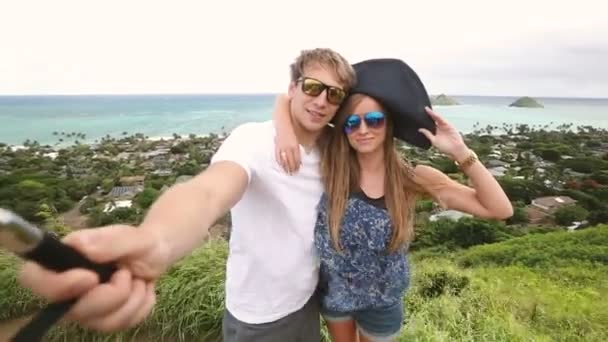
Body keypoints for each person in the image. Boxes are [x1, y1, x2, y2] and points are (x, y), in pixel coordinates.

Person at [17, 48, 357, 342]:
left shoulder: (334, 148)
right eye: (313, 87)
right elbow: (207, 193)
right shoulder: (253, 141)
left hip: (306, 300)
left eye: (334, 94)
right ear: (293, 89)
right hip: (260, 315)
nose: (321, 100)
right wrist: (155, 241)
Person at [273, 58, 513, 341]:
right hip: (335, 292)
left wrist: (461, 153)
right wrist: (286, 133)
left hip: (382, 302)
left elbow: (500, 209)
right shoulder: (331, 164)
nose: (363, 130)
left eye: (374, 120)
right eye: (352, 122)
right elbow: (288, 101)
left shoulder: (413, 178)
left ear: (389, 125)